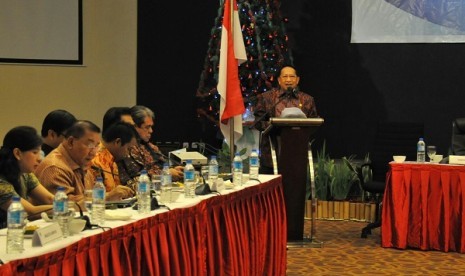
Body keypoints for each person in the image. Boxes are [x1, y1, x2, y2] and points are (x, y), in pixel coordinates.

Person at [254, 65, 318, 174]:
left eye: (292, 76)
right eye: (285, 76)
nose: (288, 80)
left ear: (297, 80)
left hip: (298, 156)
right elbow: (258, 122)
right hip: (272, 157)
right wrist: (274, 126)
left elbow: (314, 122)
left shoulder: (307, 99)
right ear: (279, 80)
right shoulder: (267, 98)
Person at [0, 126, 55, 228]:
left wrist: (68, 204)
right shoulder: (1, 182)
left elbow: (49, 199)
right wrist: (66, 208)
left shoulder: (26, 174)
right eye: (35, 152)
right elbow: (30, 211)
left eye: (40, 152)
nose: (39, 159)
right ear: (17, 153)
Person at [117, 105, 184, 188]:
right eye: (147, 127)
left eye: (151, 127)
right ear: (134, 127)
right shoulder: (125, 149)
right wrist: (165, 175)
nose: (151, 131)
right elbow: (134, 181)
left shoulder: (150, 146)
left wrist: (175, 171)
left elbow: (162, 166)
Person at [35, 120, 101, 202]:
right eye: (90, 145)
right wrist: (105, 197)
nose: (94, 152)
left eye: (97, 146)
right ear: (71, 142)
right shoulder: (55, 168)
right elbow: (67, 205)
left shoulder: (81, 163)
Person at [89, 121, 137, 198]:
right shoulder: (95, 160)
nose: (128, 154)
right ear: (118, 142)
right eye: (128, 149)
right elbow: (88, 197)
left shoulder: (112, 159)